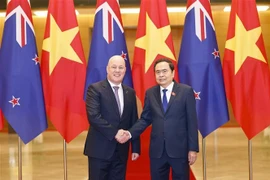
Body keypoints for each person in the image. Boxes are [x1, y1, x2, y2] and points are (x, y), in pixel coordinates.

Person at [116, 58, 199, 180]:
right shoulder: (150, 93)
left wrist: (193, 149)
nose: (161, 75)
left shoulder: (185, 91)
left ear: (173, 72)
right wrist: (129, 133)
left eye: (164, 71)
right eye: (157, 72)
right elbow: (145, 119)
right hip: (157, 151)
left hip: (179, 149)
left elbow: (192, 122)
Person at [84, 55, 140, 180]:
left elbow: (133, 120)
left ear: (125, 70)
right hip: (99, 150)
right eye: (114, 67)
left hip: (121, 151)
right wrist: (115, 133)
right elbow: (93, 116)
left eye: (121, 67)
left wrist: (135, 147)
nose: (117, 70)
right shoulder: (95, 89)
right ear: (107, 69)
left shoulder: (130, 92)